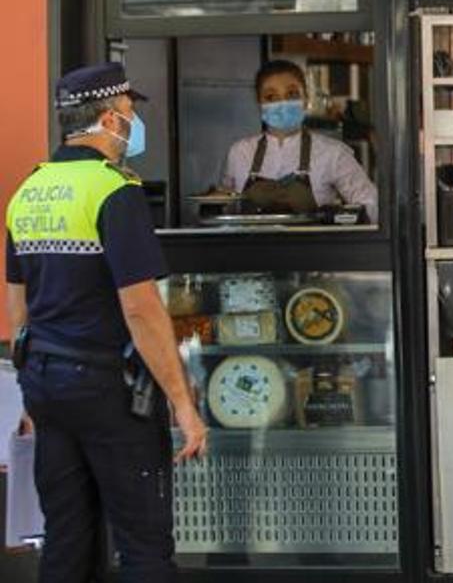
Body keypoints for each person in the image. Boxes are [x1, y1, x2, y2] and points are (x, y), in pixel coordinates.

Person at [6, 62, 208, 582]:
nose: (133, 121)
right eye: (129, 111)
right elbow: (141, 309)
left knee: (67, 538)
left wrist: (31, 396)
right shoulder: (113, 190)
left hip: (46, 382)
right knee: (143, 545)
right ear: (110, 117)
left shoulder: (29, 190)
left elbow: (17, 305)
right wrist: (184, 404)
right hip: (106, 387)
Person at [217, 59, 378, 222]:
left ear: (306, 99)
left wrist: (336, 217)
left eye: (292, 94)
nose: (282, 103)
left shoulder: (333, 153)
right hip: (252, 247)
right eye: (271, 97)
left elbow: (371, 204)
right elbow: (224, 208)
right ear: (259, 103)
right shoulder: (239, 153)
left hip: (314, 247)